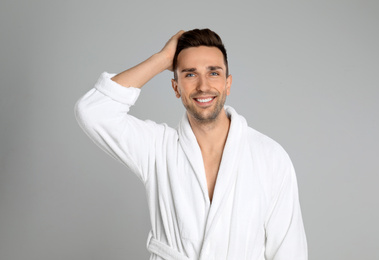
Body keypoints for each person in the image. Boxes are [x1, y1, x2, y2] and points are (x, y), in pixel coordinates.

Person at [74, 28, 308, 260]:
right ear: (176, 88)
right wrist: (162, 59)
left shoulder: (270, 157)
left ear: (228, 84)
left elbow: (290, 252)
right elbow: (93, 111)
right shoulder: (157, 149)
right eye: (190, 74)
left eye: (214, 73)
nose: (203, 86)